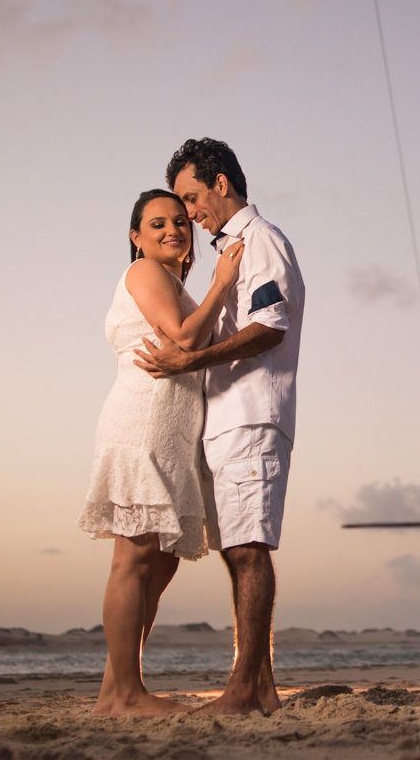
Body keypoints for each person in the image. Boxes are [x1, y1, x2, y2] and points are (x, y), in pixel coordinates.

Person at [134, 138, 305, 715]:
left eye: (191, 198)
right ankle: (262, 688)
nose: (189, 214)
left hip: (252, 416)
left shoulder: (260, 241)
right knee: (238, 550)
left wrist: (187, 362)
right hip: (228, 421)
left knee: (249, 549)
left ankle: (241, 691)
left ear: (221, 183)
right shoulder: (231, 250)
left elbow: (270, 326)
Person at [77, 188, 244, 717]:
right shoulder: (147, 272)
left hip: (174, 432)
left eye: (180, 221)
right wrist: (222, 284)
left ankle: (114, 690)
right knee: (133, 557)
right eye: (157, 224)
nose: (173, 229)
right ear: (136, 237)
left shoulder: (171, 282)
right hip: (143, 423)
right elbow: (183, 339)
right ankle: (126, 694)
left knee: (162, 562)